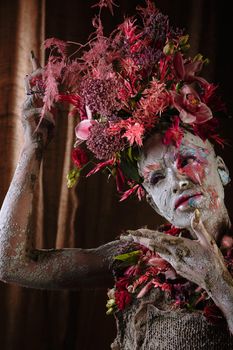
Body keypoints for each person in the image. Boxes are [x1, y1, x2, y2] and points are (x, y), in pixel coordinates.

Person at [1, 1, 233, 349]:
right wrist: (31, 151)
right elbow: (13, 264)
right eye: (156, 179)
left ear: (221, 168)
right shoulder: (139, 256)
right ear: (154, 204)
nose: (177, 180)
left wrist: (216, 281)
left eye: (186, 159)